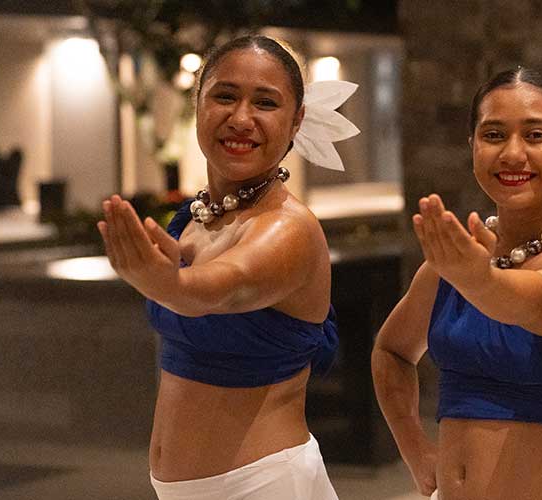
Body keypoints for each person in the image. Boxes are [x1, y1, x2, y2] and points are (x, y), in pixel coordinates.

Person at [97, 34, 354, 499]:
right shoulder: (193, 220)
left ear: (296, 121)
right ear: (198, 104)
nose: (241, 119)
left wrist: (166, 283)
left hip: (264, 485)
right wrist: (164, 281)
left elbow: (219, 288)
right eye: (225, 96)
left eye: (265, 103)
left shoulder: (288, 229)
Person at [371, 67, 542, 500]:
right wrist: (415, 450)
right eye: (494, 135)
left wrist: (479, 278)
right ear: (472, 146)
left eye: (536, 136)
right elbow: (391, 351)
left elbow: (532, 303)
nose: (512, 154)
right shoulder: (457, 263)